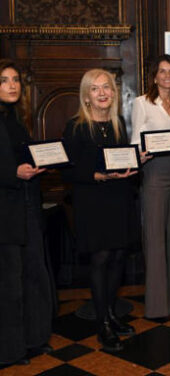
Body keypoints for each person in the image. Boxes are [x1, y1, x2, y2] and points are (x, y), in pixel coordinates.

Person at [63, 69, 146, 352]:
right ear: (86, 96)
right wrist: (98, 176)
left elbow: (121, 160)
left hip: (119, 199)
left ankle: (111, 314)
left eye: (107, 88)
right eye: (96, 89)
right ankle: (103, 325)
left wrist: (136, 162)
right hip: (92, 202)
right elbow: (69, 170)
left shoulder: (118, 125)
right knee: (101, 259)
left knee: (119, 256)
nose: (102, 93)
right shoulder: (75, 126)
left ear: (113, 93)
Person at [131, 54, 170, 319]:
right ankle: (157, 306)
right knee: (155, 238)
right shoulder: (142, 103)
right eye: (162, 71)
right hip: (155, 172)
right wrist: (139, 155)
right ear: (154, 76)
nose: (167, 76)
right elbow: (135, 139)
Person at [0, 59, 54, 366]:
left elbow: (30, 156)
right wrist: (12, 173)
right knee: (9, 285)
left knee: (33, 277)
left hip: (28, 209)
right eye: (4, 80)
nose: (11, 85)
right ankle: (9, 351)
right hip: (5, 215)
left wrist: (45, 162)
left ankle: (33, 340)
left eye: (15, 80)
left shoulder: (18, 120)